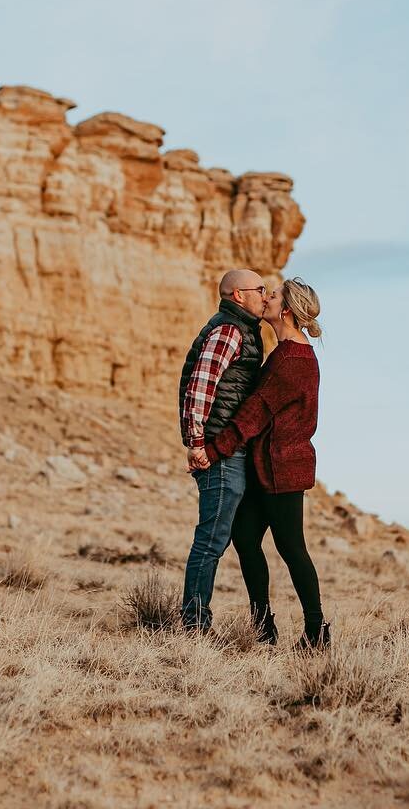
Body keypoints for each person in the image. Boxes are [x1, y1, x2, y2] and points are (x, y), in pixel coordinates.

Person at [203, 277, 327, 650]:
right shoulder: (286, 351)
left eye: (272, 295)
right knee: (245, 538)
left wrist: (213, 450)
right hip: (268, 467)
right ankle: (263, 625)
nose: (266, 299)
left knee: (292, 549)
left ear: (286, 308)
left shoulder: (293, 359)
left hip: (283, 469)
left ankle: (316, 632)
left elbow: (253, 413)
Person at [176, 269, 267, 631]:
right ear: (237, 295)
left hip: (227, 449)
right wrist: (197, 443)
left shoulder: (242, 330)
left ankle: (197, 617)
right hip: (219, 451)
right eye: (259, 289)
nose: (265, 294)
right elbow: (200, 385)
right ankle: (194, 622)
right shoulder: (229, 330)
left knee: (218, 536)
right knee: (212, 538)